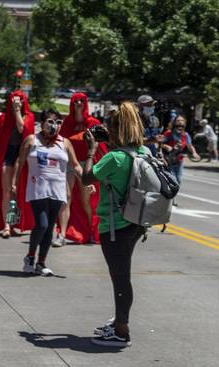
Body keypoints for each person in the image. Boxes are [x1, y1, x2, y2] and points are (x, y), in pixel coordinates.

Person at [79, 101, 150, 348]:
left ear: (117, 129)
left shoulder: (114, 158)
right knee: (122, 274)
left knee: (120, 278)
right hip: (137, 222)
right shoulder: (144, 152)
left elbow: (87, 177)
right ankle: (119, 320)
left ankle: (122, 330)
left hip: (114, 226)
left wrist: (90, 150)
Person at [16, 110, 82, 276]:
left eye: (59, 122)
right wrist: (13, 185)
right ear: (43, 122)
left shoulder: (64, 143)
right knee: (42, 224)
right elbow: (20, 163)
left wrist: (86, 181)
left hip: (57, 189)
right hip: (37, 188)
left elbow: (75, 165)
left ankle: (41, 262)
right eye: (51, 122)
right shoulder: (32, 140)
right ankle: (30, 257)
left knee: (50, 227)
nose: (55, 125)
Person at [56, 93, 104, 246]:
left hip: (85, 165)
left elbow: (101, 145)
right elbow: (60, 143)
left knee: (86, 201)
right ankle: (62, 234)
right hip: (69, 165)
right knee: (66, 198)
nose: (78, 103)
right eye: (75, 101)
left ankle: (91, 231)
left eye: (81, 101)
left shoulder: (93, 122)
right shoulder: (67, 123)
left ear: (86, 103)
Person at [0, 90, 36, 238]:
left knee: (16, 192)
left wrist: (17, 110)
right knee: (6, 191)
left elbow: (23, 128)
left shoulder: (29, 116)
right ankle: (7, 225)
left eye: (20, 100)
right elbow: (0, 143)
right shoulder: (3, 118)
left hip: (22, 155)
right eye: (14, 100)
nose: (17, 102)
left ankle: (13, 222)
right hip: (8, 155)